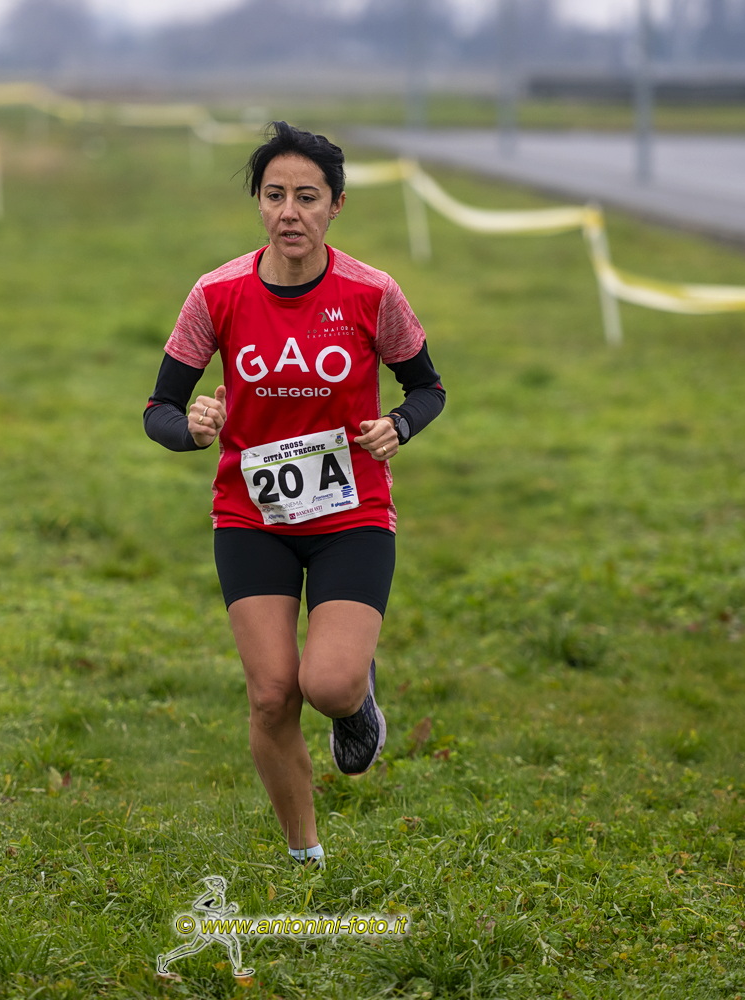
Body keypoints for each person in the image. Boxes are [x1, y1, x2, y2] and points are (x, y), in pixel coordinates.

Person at [143, 121, 445, 868]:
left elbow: (427, 388)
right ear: (258, 202)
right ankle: (304, 855)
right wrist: (193, 428)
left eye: (307, 197)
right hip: (252, 516)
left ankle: (356, 696)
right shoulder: (216, 293)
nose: (289, 213)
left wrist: (400, 425)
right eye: (274, 195)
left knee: (328, 685)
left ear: (336, 204)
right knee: (273, 694)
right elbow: (159, 409)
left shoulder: (372, 293)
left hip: (351, 512)